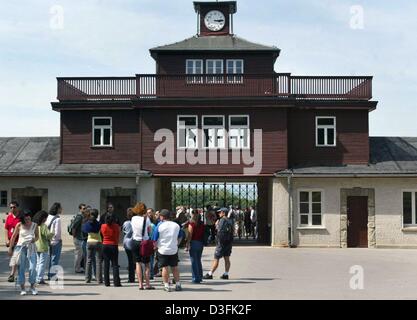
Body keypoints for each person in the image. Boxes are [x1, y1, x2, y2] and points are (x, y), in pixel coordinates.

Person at [8, 210, 39, 296]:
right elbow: (14, 236)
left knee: (33, 268)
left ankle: (32, 287)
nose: (27, 221)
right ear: (23, 219)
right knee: (21, 268)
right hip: (20, 247)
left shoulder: (35, 225)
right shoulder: (19, 225)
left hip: (31, 247)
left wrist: (34, 239)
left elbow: (37, 237)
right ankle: (22, 288)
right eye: (26, 219)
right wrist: (10, 248)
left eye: (29, 218)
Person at [152, 209, 182, 292]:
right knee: (175, 267)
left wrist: (155, 247)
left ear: (162, 217)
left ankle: (166, 285)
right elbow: (180, 236)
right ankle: (178, 284)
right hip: (173, 249)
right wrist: (176, 244)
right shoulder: (176, 225)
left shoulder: (159, 225)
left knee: (165, 268)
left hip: (162, 249)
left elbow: (154, 239)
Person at [203, 207, 234, 280]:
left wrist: (216, 226)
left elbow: (219, 231)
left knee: (216, 258)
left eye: (220, 212)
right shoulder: (230, 220)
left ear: (223, 213)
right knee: (227, 258)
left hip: (221, 242)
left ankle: (210, 273)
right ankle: (226, 274)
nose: (219, 213)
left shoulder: (222, 220)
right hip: (228, 242)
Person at [131, 202, 154, 290]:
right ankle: (147, 284)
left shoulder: (133, 218)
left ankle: (140, 284)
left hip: (135, 241)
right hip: (144, 242)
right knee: (147, 264)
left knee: (138, 263)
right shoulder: (146, 219)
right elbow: (150, 230)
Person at [82, 209, 103, 284]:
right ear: (97, 215)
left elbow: (84, 230)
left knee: (88, 260)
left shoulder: (86, 223)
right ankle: (99, 279)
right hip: (98, 242)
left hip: (89, 241)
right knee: (98, 261)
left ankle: (87, 279)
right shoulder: (99, 224)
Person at [100, 213, 121, 287]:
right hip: (114, 245)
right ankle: (116, 282)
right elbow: (118, 235)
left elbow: (102, 235)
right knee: (115, 264)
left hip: (105, 245)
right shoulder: (116, 226)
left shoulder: (103, 226)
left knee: (106, 264)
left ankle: (107, 282)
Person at [32, 210, 53, 285]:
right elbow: (48, 235)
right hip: (43, 246)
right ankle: (39, 278)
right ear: (43, 218)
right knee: (42, 263)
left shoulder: (34, 225)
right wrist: (52, 233)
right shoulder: (43, 226)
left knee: (38, 263)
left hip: (36, 246)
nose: (46, 219)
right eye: (46, 218)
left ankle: (36, 277)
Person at [186, 209, 205, 284]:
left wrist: (187, 243)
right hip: (200, 243)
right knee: (198, 260)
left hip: (193, 242)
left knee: (193, 261)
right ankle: (200, 276)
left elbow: (190, 234)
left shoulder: (191, 224)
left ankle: (195, 278)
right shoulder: (202, 223)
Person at [4, 201, 20, 282]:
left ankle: (12, 274)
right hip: (11, 242)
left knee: (16, 258)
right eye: (11, 207)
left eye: (14, 207)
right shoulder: (9, 217)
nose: (12, 209)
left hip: (19, 242)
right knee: (14, 258)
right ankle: (15, 274)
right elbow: (6, 229)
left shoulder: (21, 217)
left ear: (17, 207)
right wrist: (7, 240)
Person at [46, 202, 62, 280]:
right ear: (57, 209)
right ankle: (52, 275)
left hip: (48, 240)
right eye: (60, 208)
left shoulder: (48, 217)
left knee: (51, 258)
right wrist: (58, 239)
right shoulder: (57, 219)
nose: (62, 209)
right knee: (55, 258)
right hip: (55, 241)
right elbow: (57, 232)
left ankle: (50, 274)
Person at [70, 204, 87, 273]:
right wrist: (74, 236)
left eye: (85, 208)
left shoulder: (81, 216)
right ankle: (77, 268)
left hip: (80, 238)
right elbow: (74, 226)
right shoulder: (79, 216)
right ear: (80, 209)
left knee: (80, 254)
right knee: (78, 254)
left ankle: (78, 267)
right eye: (83, 208)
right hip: (78, 238)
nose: (84, 210)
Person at [122, 208, 135, 283]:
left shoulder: (126, 223)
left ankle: (131, 278)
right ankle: (141, 276)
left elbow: (123, 231)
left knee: (130, 261)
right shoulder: (136, 222)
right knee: (137, 261)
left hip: (127, 242)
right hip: (134, 241)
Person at [147, 208, 157, 280]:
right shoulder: (146, 222)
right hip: (148, 241)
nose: (149, 214)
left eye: (150, 212)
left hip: (152, 241)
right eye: (148, 212)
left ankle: (151, 273)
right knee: (149, 258)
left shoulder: (156, 222)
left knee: (151, 259)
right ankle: (150, 273)